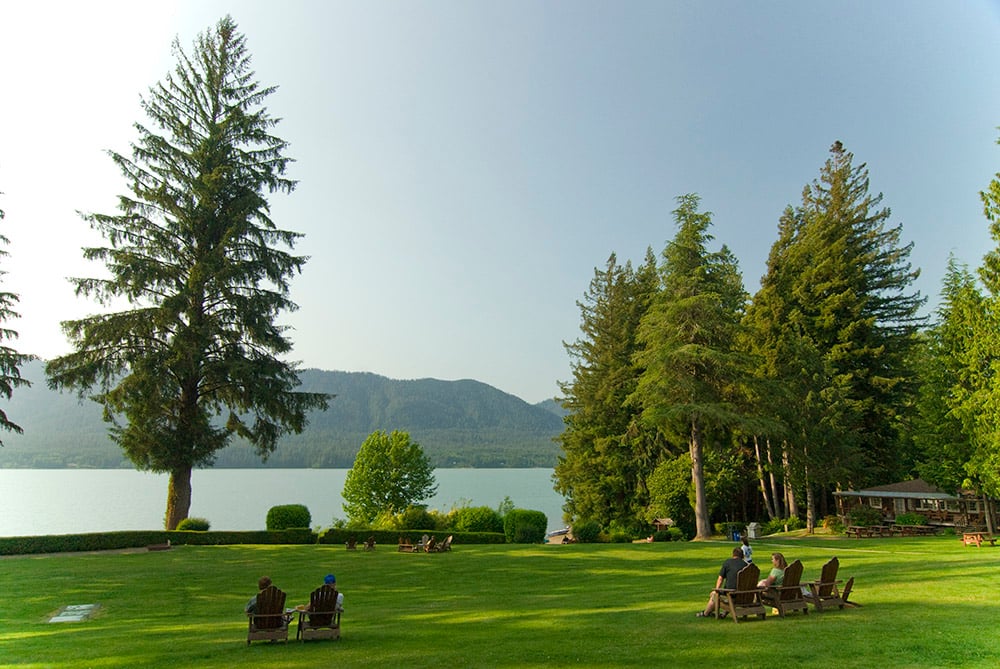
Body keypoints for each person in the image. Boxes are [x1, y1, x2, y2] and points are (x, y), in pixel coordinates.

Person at [697, 547, 747, 618]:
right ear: (742, 556)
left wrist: (717, 590)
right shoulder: (746, 565)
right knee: (722, 595)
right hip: (745, 595)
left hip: (732, 594)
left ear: (733, 555)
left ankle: (705, 613)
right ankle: (723, 614)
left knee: (714, 595)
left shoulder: (728, 563)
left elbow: (720, 579)